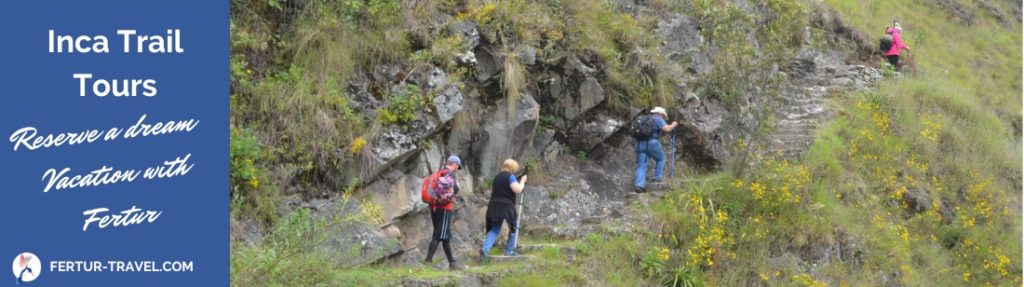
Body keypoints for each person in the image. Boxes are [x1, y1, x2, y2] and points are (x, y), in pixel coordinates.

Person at [479, 159, 528, 263]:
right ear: (512, 168)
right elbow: (518, 189)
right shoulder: (510, 176)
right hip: (506, 205)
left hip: (494, 205)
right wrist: (522, 181)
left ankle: (485, 249)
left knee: (495, 229)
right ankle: (509, 251)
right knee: (514, 227)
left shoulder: (497, 177)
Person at [424, 155, 466, 270]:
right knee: (438, 235)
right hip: (444, 208)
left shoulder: (439, 172)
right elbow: (455, 190)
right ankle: (427, 261)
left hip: (434, 207)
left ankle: (452, 262)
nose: (457, 169)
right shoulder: (449, 174)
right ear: (454, 164)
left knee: (445, 235)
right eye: (458, 166)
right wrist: (457, 186)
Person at [634, 107, 678, 193]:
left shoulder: (645, 119)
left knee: (641, 165)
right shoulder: (658, 119)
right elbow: (667, 129)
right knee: (661, 158)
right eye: (663, 116)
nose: (663, 117)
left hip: (639, 143)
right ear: (661, 114)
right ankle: (657, 178)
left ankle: (639, 185)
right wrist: (673, 125)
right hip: (652, 143)